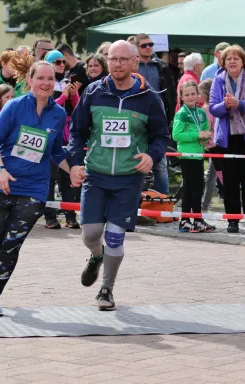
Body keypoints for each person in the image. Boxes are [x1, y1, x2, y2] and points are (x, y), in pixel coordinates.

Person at [67, 40, 169, 311]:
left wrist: (152, 156)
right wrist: (75, 163)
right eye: (113, 59)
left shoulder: (149, 98)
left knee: (115, 236)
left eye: (123, 59)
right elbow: (77, 132)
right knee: (90, 234)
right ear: (106, 61)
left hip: (128, 178)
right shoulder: (94, 92)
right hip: (96, 175)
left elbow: (161, 136)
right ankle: (96, 256)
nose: (117, 64)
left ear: (135, 62)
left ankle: (106, 290)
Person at [0, 60, 73, 317]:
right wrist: (0, 170)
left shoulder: (58, 114)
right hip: (3, 181)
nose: (45, 83)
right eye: (40, 78)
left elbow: (56, 152)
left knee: (14, 242)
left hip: (35, 186)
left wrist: (73, 169)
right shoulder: (13, 106)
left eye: (50, 79)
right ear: (29, 80)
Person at [209, 45, 245, 234]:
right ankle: (232, 220)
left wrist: (239, 104)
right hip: (227, 139)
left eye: (236, 58)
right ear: (223, 63)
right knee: (230, 181)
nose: (232, 61)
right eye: (228, 59)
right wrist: (225, 105)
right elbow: (213, 109)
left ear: (243, 62)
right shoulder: (217, 81)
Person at [133, 34, 175, 195]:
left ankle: (164, 203)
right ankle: (137, 204)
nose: (148, 47)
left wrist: (169, 116)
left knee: (160, 164)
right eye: (144, 45)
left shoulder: (162, 67)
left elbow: (171, 94)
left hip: (158, 120)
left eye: (150, 44)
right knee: (136, 163)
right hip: (136, 119)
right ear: (136, 48)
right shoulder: (132, 65)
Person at [43, 50, 81, 229]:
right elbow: (46, 108)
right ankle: (49, 216)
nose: (61, 65)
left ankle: (70, 215)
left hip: (68, 134)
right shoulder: (45, 84)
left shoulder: (67, 82)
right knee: (50, 178)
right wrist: (64, 96)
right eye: (57, 62)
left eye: (63, 62)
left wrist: (73, 96)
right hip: (50, 135)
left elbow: (79, 109)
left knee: (68, 178)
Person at [172, 80, 215, 233]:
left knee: (198, 187)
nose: (191, 97)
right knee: (190, 188)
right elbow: (176, 135)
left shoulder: (201, 112)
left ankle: (197, 219)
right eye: (187, 94)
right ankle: (185, 220)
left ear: (198, 95)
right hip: (186, 155)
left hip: (198, 154)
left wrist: (205, 137)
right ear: (182, 97)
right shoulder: (182, 113)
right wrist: (197, 135)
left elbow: (204, 129)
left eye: (193, 94)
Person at [199, 79, 222, 211]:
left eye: (200, 92)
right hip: (216, 145)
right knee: (212, 175)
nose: (198, 96)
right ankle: (205, 203)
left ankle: (204, 204)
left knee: (214, 175)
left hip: (211, 146)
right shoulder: (215, 107)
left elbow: (206, 129)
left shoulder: (206, 109)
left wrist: (204, 142)